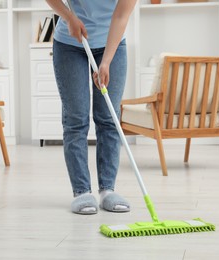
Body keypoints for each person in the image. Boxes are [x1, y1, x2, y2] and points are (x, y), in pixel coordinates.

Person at [45, 0, 137, 215]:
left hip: (111, 43)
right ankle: (82, 191)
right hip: (70, 44)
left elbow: (121, 16)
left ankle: (107, 190)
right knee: (76, 120)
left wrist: (106, 62)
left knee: (108, 118)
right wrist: (69, 17)